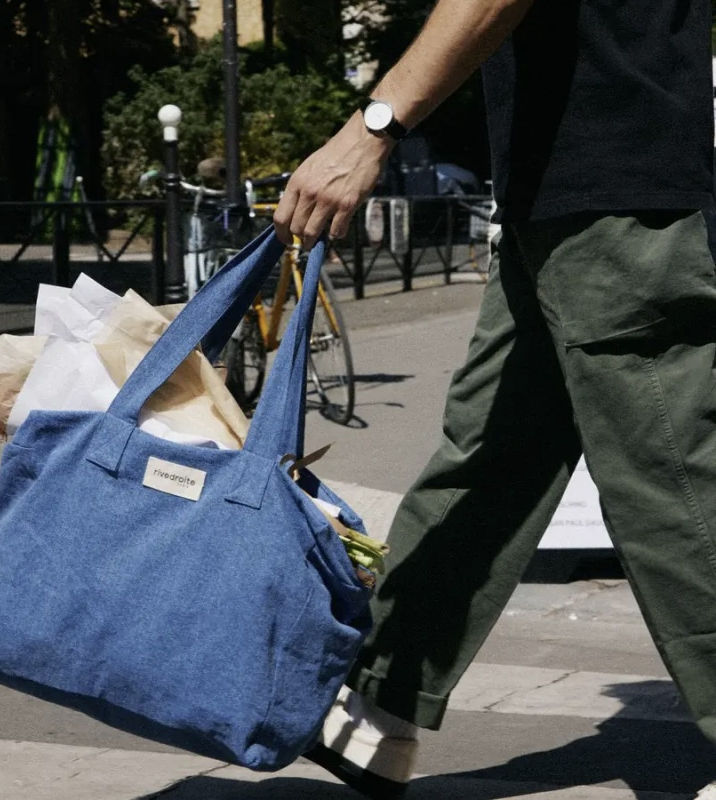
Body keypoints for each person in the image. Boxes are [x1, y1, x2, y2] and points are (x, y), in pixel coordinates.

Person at [273, 0, 716, 798]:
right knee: (489, 458)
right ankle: (382, 701)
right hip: (562, 191)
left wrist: (370, 128)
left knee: (669, 478)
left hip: (611, 190)